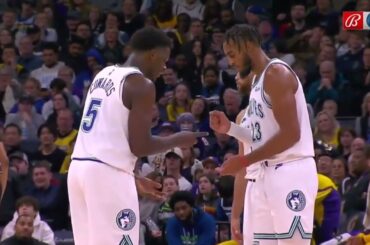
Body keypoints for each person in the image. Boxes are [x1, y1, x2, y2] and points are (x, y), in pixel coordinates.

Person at [68, 27, 207, 245]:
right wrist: (179, 139)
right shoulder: (142, 85)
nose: (164, 67)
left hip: (78, 170)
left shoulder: (102, 74)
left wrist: (132, 176)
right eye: (163, 60)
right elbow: (140, 146)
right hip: (107, 174)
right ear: (152, 54)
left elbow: (107, 133)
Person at [210, 24, 317, 244]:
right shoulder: (258, 82)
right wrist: (229, 128)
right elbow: (260, 137)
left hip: (290, 170)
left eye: (232, 54)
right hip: (264, 173)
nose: (230, 62)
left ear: (248, 45)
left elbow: (290, 134)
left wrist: (244, 160)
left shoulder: (276, 73)